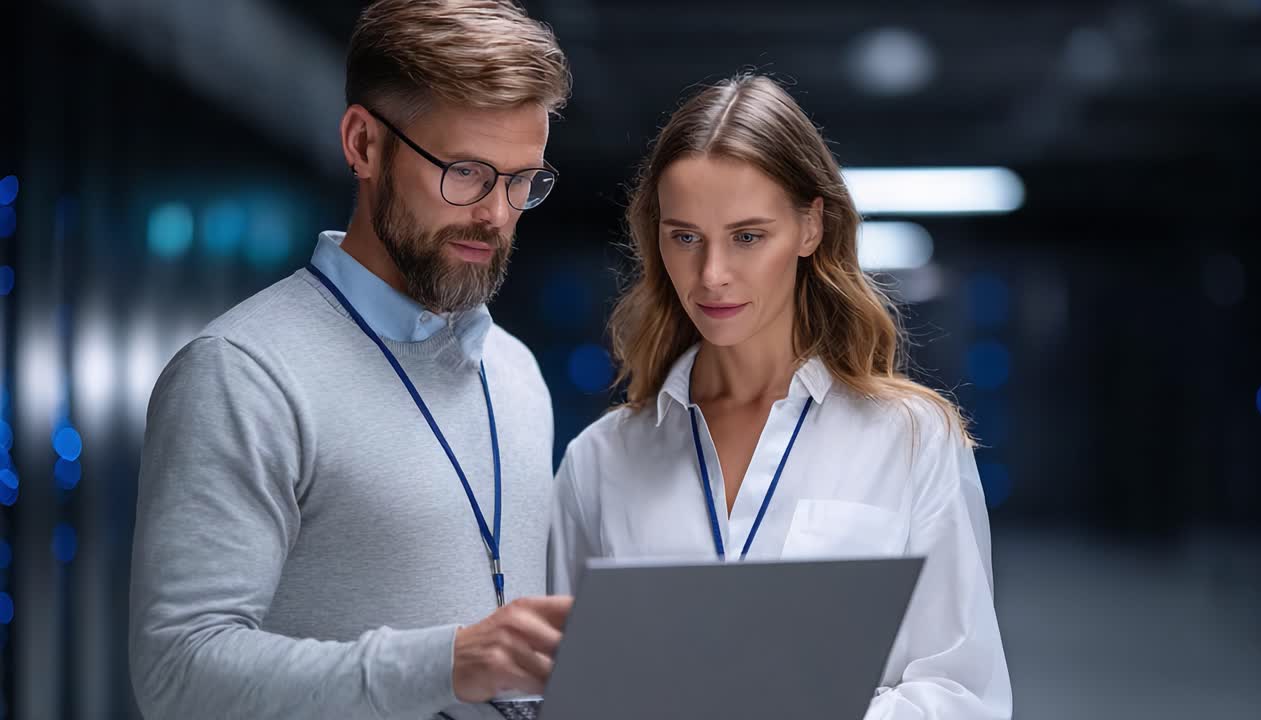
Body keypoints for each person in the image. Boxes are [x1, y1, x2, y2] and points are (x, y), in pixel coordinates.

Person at [130, 2, 572, 718]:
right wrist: (448, 664)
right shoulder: (241, 372)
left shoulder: (517, 372)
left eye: (522, 180)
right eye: (465, 172)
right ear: (364, 144)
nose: (496, 213)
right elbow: (177, 675)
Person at [548, 74, 1012, 719]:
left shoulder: (911, 440)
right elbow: (567, 693)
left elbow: (962, 695)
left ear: (810, 226)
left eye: (747, 236)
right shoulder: (599, 462)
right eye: (685, 236)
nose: (712, 275)